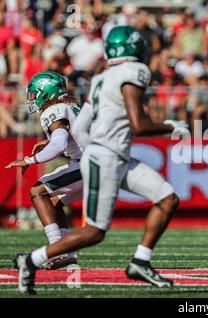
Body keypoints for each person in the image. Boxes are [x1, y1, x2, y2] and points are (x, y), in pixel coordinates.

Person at [14, 26, 188, 295]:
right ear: (135, 47)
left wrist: (86, 150)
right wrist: (170, 126)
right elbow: (138, 124)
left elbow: (81, 129)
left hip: (113, 157)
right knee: (94, 232)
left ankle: (140, 261)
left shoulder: (100, 78)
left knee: (167, 198)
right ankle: (31, 260)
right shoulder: (135, 71)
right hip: (106, 159)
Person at [5, 71, 82, 270]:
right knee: (53, 202)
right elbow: (73, 135)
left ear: (46, 93)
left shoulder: (53, 110)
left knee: (37, 191)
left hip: (88, 164)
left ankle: (57, 249)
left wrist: (29, 160)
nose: (31, 99)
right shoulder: (69, 105)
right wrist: (50, 140)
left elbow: (58, 145)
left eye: (34, 94)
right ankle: (67, 254)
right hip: (93, 161)